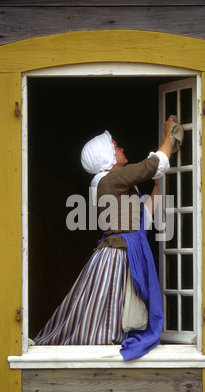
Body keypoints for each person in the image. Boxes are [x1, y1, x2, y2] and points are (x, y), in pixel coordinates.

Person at [34, 115, 177, 361]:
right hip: (119, 255)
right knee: (112, 307)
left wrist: (155, 187)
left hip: (125, 249)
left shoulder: (108, 183)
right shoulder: (111, 179)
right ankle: (106, 355)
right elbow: (154, 163)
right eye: (115, 146)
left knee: (117, 307)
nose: (121, 149)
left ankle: (110, 348)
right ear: (107, 158)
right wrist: (169, 135)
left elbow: (143, 216)